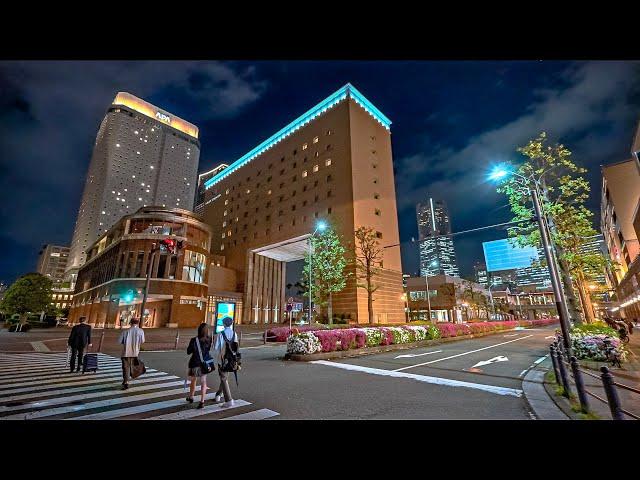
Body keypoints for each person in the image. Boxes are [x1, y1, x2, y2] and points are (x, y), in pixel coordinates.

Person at [214, 316, 239, 408]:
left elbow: (216, 347)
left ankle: (229, 400)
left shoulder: (221, 334)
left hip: (222, 360)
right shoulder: (234, 334)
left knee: (223, 378)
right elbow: (236, 347)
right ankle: (218, 395)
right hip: (231, 360)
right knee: (224, 377)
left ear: (224, 324)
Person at [186, 323, 213, 409]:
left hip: (195, 363)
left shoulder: (194, 340)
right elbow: (208, 350)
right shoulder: (209, 340)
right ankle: (202, 401)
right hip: (204, 364)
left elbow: (188, 351)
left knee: (193, 380)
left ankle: (191, 397)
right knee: (203, 382)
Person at [118, 317, 145, 390]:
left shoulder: (125, 331)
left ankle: (126, 381)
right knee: (133, 366)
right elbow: (142, 341)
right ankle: (131, 376)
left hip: (126, 352)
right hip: (135, 352)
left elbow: (120, 341)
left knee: (125, 368)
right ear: (138, 323)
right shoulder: (141, 331)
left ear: (130, 322)